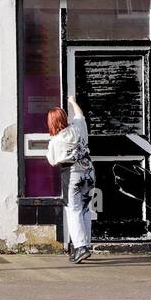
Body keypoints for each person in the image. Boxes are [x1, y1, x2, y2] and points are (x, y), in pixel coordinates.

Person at [46, 99, 95, 264]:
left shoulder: (55, 141)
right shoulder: (77, 128)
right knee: (86, 209)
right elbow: (80, 115)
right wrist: (73, 101)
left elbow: (52, 160)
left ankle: (81, 247)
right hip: (89, 172)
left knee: (73, 210)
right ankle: (86, 243)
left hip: (72, 174)